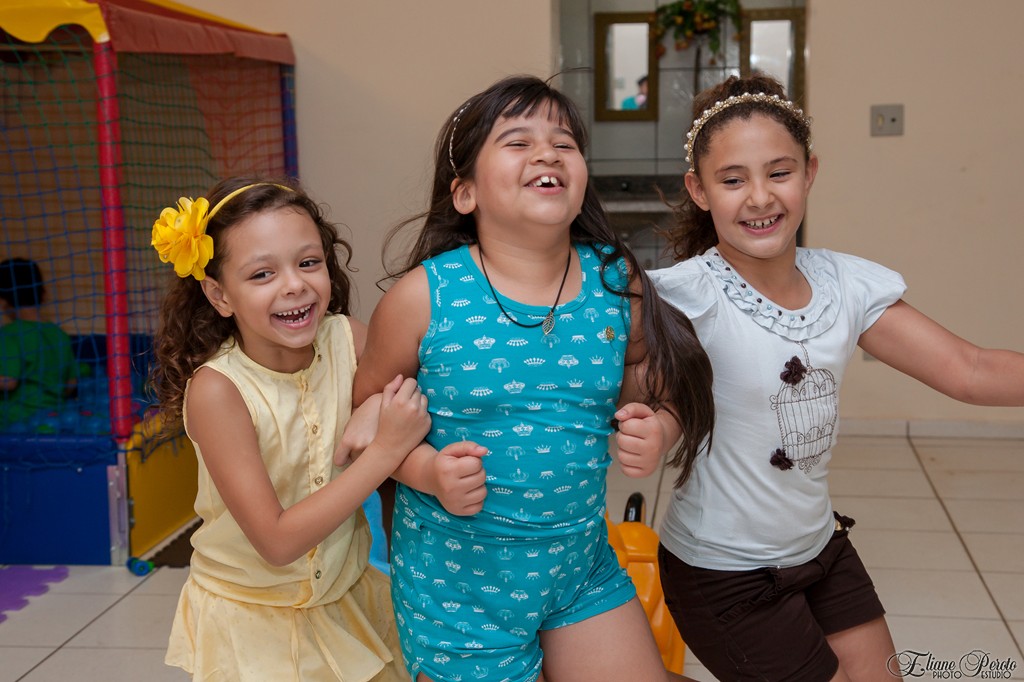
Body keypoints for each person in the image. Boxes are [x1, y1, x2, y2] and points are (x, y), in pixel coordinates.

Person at [651, 73, 1024, 682]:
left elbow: (971, 370)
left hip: (821, 549)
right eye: (733, 179)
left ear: (810, 172)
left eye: (779, 172)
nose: (760, 197)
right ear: (699, 190)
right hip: (722, 571)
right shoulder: (684, 295)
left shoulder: (846, 284)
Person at [354, 75, 715, 682]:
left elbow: (655, 384)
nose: (547, 153)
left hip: (580, 570)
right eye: (517, 142)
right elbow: (368, 426)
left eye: (564, 143)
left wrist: (659, 425)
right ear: (465, 193)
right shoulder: (423, 298)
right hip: (459, 590)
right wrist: (426, 472)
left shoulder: (613, 280)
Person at [150, 177, 450, 681]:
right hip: (252, 619)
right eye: (262, 273)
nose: (294, 284)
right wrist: (385, 450)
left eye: (308, 263)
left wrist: (374, 404)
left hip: (345, 596)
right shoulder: (219, 391)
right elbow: (276, 541)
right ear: (220, 295)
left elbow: (408, 397)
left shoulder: (348, 340)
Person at [0, 257, 78, 430]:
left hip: (16, 422)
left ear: (3, 300)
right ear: (42, 294)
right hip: (54, 418)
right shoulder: (59, 335)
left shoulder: (8, 334)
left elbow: (8, 381)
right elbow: (71, 383)